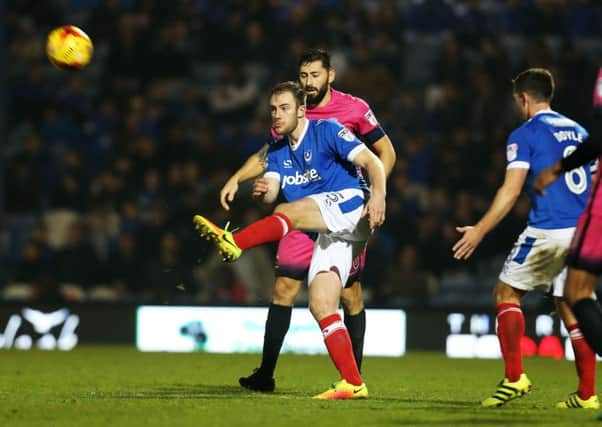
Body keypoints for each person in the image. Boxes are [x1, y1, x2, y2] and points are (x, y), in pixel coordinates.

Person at [194, 81, 387, 399]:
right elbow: (271, 191)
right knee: (321, 304)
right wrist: (260, 191)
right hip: (328, 230)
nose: (277, 114)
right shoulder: (279, 151)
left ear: (301, 110)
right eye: (272, 109)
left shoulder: (327, 130)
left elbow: (373, 162)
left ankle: (236, 241)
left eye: (284, 108)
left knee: (290, 211)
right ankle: (353, 383)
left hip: (352, 205)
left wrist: (378, 195)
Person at [453, 68, 598, 409]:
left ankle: (515, 377)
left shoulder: (525, 133)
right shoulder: (579, 130)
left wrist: (479, 230)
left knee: (505, 293)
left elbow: (511, 190)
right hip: (582, 230)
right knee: (570, 305)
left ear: (524, 98)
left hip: (549, 228)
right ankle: (588, 394)